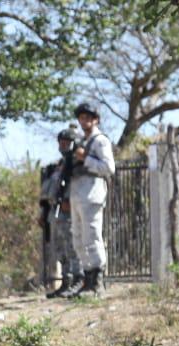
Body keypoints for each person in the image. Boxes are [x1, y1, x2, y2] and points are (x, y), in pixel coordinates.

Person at [66, 101, 116, 297]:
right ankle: (87, 279)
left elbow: (108, 168)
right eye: (82, 117)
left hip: (92, 192)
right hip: (77, 193)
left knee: (92, 237)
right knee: (78, 238)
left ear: (95, 120)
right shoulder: (81, 141)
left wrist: (85, 158)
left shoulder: (100, 141)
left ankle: (97, 282)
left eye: (88, 117)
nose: (84, 120)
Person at [39, 127, 82, 298]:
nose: (63, 145)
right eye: (61, 142)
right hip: (56, 211)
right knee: (60, 249)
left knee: (73, 247)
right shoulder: (58, 166)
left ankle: (79, 279)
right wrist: (44, 212)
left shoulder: (76, 165)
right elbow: (49, 190)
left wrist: (68, 200)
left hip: (71, 211)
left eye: (67, 142)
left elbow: (77, 186)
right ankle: (66, 281)